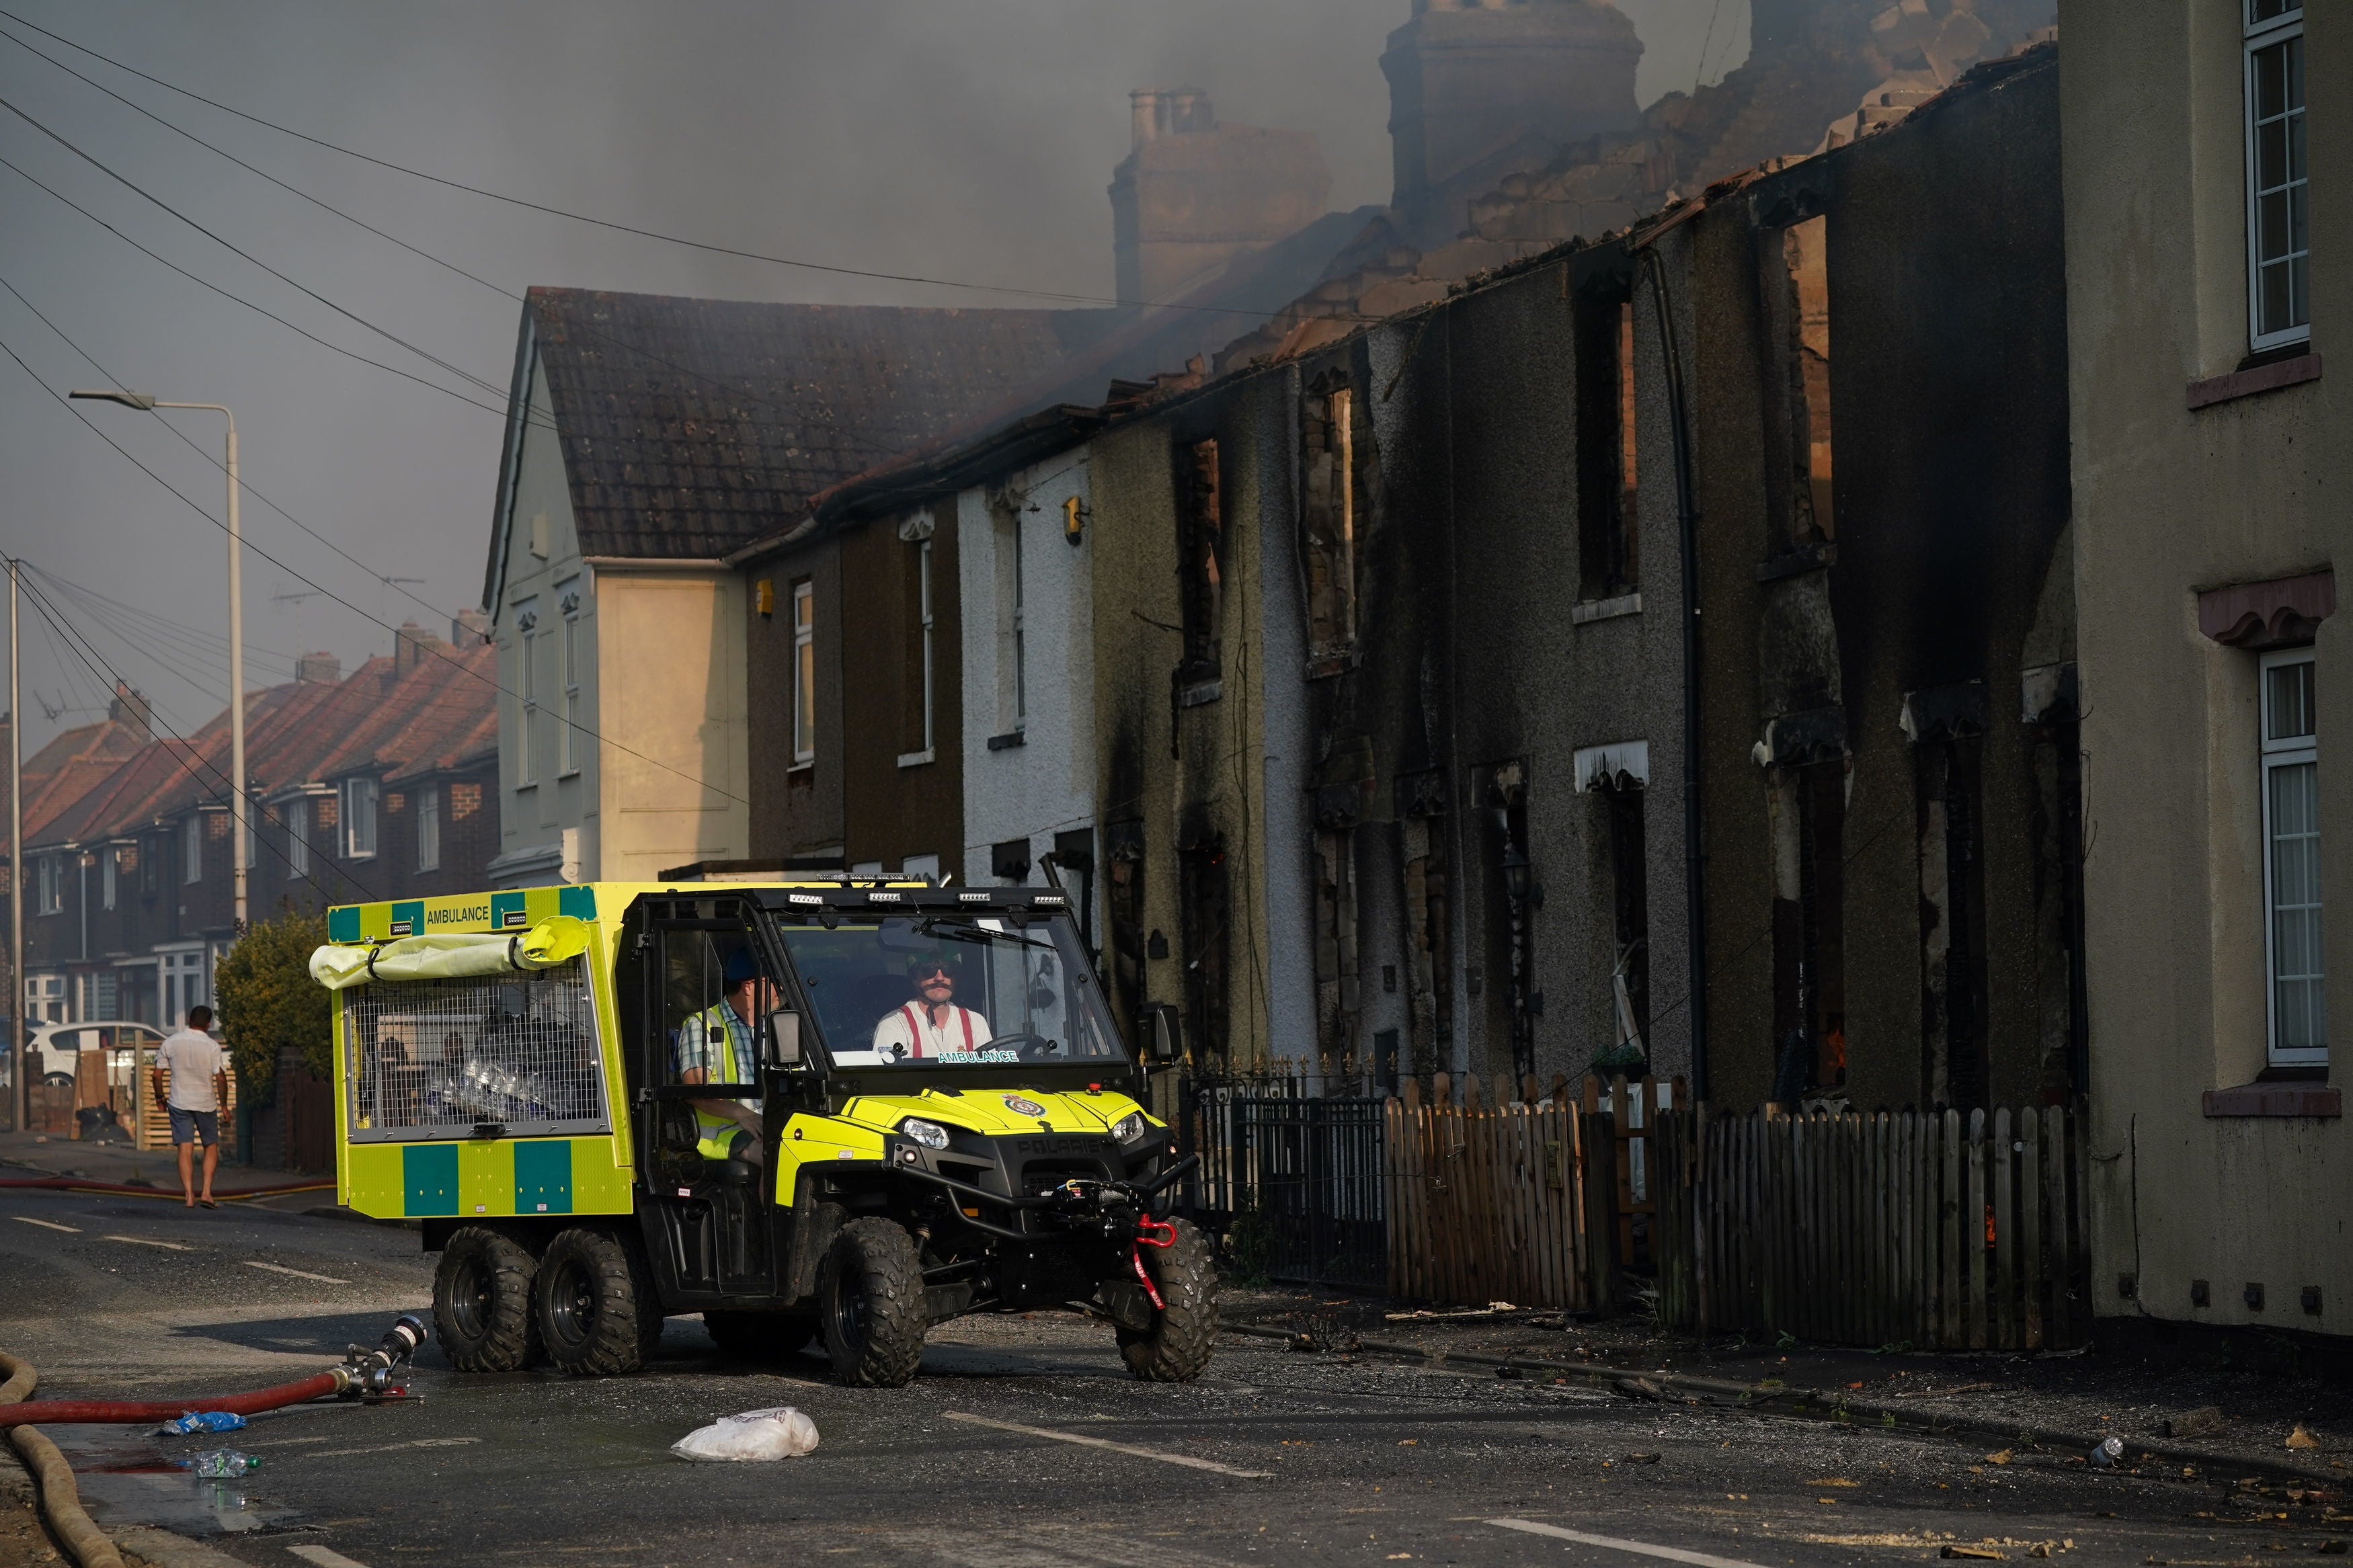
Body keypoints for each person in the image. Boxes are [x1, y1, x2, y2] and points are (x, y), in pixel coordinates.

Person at [678, 950, 776, 1165]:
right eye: (775, 983)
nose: (781, 990)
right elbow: (695, 1092)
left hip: (769, 1123)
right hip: (725, 1133)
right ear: (749, 987)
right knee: (777, 1159)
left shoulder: (776, 1024)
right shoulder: (702, 1025)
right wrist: (743, 1115)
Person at [152, 1005, 229, 1210]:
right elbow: (220, 1078)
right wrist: (224, 1106)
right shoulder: (212, 1046)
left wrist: (160, 1097)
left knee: (185, 1148)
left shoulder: (171, 1042)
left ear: (188, 1019)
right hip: (206, 1103)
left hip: (179, 1102)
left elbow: (156, 1075)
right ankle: (206, 1193)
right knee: (210, 1146)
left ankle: (188, 1196)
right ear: (208, 1024)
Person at [870, 951, 994, 1060]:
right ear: (914, 977)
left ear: (956, 978)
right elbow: (890, 1083)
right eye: (928, 970)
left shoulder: (976, 1022)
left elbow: (990, 1078)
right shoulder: (894, 1025)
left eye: (948, 969)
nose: (940, 978)